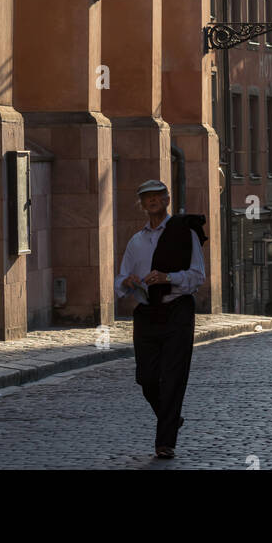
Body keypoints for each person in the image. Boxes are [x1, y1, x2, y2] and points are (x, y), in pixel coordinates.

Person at [115, 179, 206, 459]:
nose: (152, 200)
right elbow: (120, 282)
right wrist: (128, 281)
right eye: (146, 197)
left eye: (157, 196)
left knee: (174, 378)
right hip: (146, 313)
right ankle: (170, 418)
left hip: (177, 309)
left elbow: (197, 276)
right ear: (141, 204)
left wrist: (169, 278)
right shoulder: (136, 241)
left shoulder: (184, 232)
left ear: (167, 199)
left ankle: (165, 441)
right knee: (146, 377)